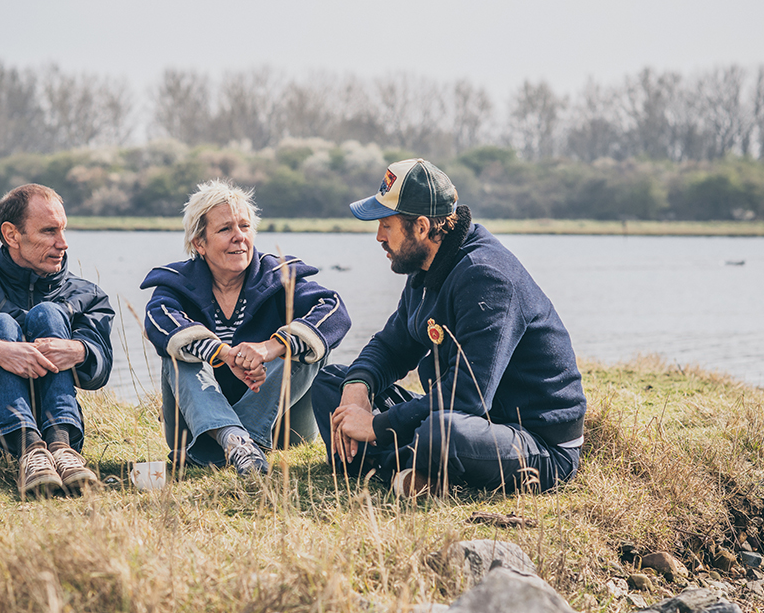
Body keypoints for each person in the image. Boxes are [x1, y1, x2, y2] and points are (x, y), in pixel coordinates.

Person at [312, 159, 586, 495]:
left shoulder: (486, 277)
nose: (378, 236)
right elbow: (392, 346)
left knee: (440, 432)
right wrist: (358, 386)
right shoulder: (425, 267)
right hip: (471, 419)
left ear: (422, 227)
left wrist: (377, 426)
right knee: (330, 382)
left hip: (535, 442)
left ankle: (387, 466)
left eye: (386, 225)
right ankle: (408, 471)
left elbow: (467, 396)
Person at [141, 180, 351, 477]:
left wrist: (271, 347)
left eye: (245, 226)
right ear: (199, 243)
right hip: (195, 429)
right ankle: (233, 439)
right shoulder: (176, 282)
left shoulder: (279, 275)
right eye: (225, 229)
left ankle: (240, 441)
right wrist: (223, 353)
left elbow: (334, 311)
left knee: (309, 343)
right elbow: (160, 321)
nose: (239, 237)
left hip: (281, 430)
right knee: (177, 349)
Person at [0, 184, 115, 497]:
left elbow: (101, 369)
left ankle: (58, 447)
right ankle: (29, 449)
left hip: (59, 435)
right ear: (11, 234)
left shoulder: (86, 295)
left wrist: (79, 351)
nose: (63, 243)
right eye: (49, 231)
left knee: (50, 314)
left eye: (63, 230)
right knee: (0, 323)